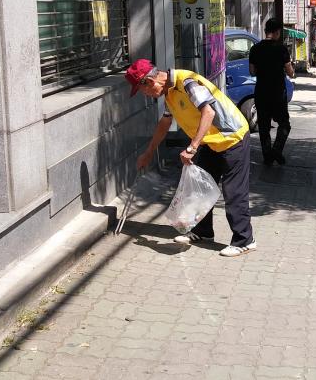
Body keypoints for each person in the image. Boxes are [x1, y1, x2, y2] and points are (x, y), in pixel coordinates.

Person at [125, 59, 255, 257]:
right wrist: (149, 152)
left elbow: (208, 111)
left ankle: (244, 240)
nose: (147, 96)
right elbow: (165, 122)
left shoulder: (188, 83)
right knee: (199, 188)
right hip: (211, 142)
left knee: (234, 192)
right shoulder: (168, 92)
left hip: (232, 138)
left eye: (143, 91)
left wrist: (192, 147)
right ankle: (203, 232)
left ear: (150, 82)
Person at [249, 18, 295, 165]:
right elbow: (290, 72)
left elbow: (252, 71)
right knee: (284, 124)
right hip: (278, 94)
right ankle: (276, 150)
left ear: (266, 31)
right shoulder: (282, 49)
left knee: (264, 126)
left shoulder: (255, 49)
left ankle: (267, 156)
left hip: (261, 93)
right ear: (277, 32)